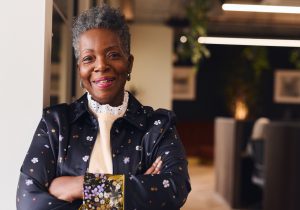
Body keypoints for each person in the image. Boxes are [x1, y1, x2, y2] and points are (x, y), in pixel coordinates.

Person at [16, 4, 191, 210]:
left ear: (129, 64)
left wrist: (83, 187)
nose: (100, 66)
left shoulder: (157, 126)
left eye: (113, 55)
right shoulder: (55, 123)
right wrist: (132, 192)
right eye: (88, 58)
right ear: (80, 69)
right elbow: (29, 203)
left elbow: (174, 189)